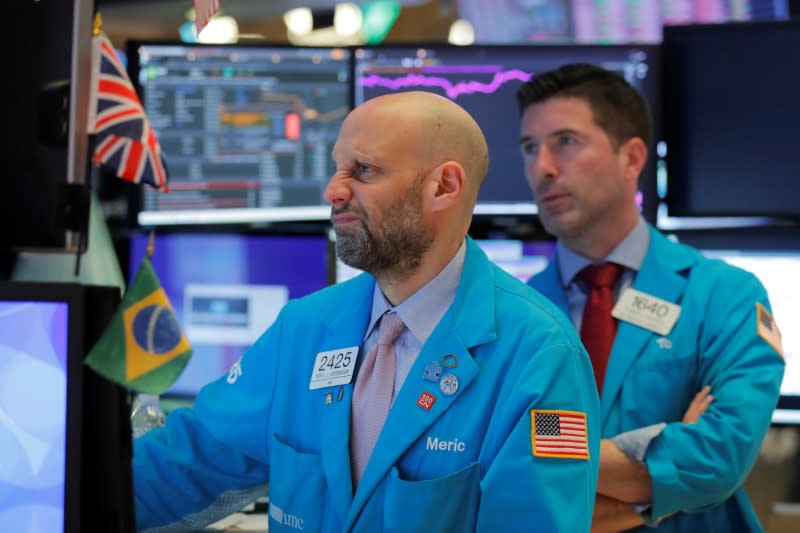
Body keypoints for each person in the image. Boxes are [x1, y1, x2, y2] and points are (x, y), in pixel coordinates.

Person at [132, 91, 601, 532]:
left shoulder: (540, 355)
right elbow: (182, 464)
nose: (333, 191)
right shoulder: (304, 327)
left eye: (363, 170)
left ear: (444, 186)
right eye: (337, 169)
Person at [516, 63, 786, 532]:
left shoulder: (726, 295)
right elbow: (496, 477)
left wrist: (548, 456)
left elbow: (717, 460)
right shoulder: (513, 314)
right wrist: (661, 480)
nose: (543, 168)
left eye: (566, 141)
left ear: (632, 158)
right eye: (529, 148)